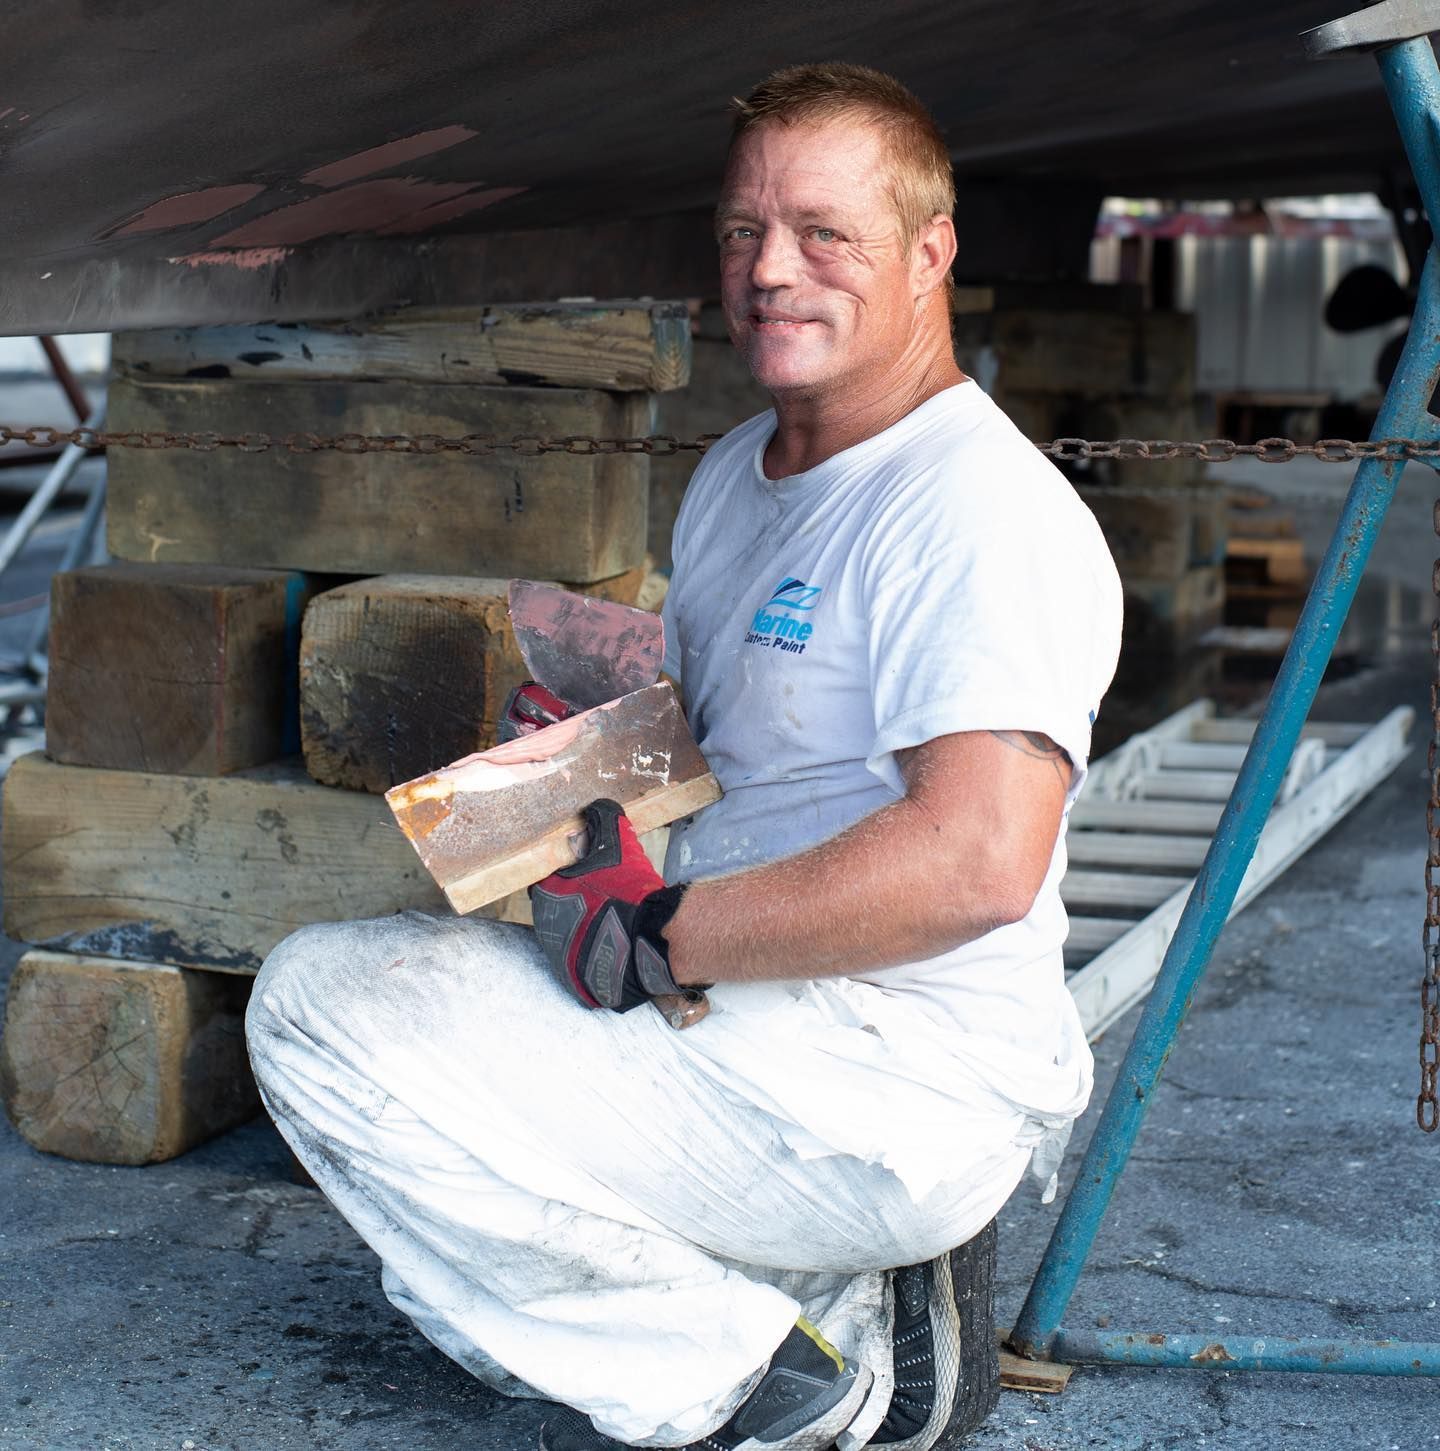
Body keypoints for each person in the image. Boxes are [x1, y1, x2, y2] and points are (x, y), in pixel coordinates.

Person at [246, 61, 1122, 1451]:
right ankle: (835, 1292)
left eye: (826, 234)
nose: (773, 269)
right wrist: (563, 779)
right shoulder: (736, 476)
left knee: (313, 1014)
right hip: (763, 1014)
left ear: (929, 253)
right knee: (444, 1279)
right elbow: (743, 756)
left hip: (892, 1070)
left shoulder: (980, 514)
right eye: (742, 232)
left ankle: (797, 1389)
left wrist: (661, 930)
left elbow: (977, 859)